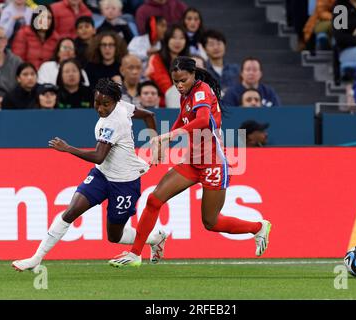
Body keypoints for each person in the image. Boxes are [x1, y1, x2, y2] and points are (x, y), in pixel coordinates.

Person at [109, 56, 272, 267]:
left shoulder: (202, 91)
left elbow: (203, 120)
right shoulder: (187, 93)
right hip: (193, 161)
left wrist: (168, 136)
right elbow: (183, 118)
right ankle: (135, 254)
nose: (179, 85)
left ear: (193, 75)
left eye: (183, 80)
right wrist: (169, 141)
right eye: (175, 81)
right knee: (154, 200)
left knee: (210, 222)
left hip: (213, 163)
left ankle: (258, 227)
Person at [12, 78, 167, 271]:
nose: (100, 108)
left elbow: (99, 156)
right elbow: (149, 115)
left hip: (124, 182)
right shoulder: (123, 107)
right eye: (97, 103)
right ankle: (36, 258)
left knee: (114, 236)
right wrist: (156, 143)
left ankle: (155, 237)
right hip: (102, 176)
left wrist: (68, 148)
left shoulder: (114, 122)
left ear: (115, 102)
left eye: (105, 104)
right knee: (70, 212)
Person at [145, 24, 189, 107]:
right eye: (174, 37)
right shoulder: (156, 58)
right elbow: (166, 88)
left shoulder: (189, 60)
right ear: (167, 39)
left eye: (182, 38)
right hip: (162, 106)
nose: (178, 41)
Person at [11, 5, 60, 70]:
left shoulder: (56, 38)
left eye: (49, 18)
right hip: (28, 75)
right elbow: (17, 60)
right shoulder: (23, 34)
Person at [201, 29, 239, 95]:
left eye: (219, 44)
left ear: (225, 45)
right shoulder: (203, 70)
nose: (216, 47)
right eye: (211, 44)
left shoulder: (235, 69)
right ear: (205, 49)